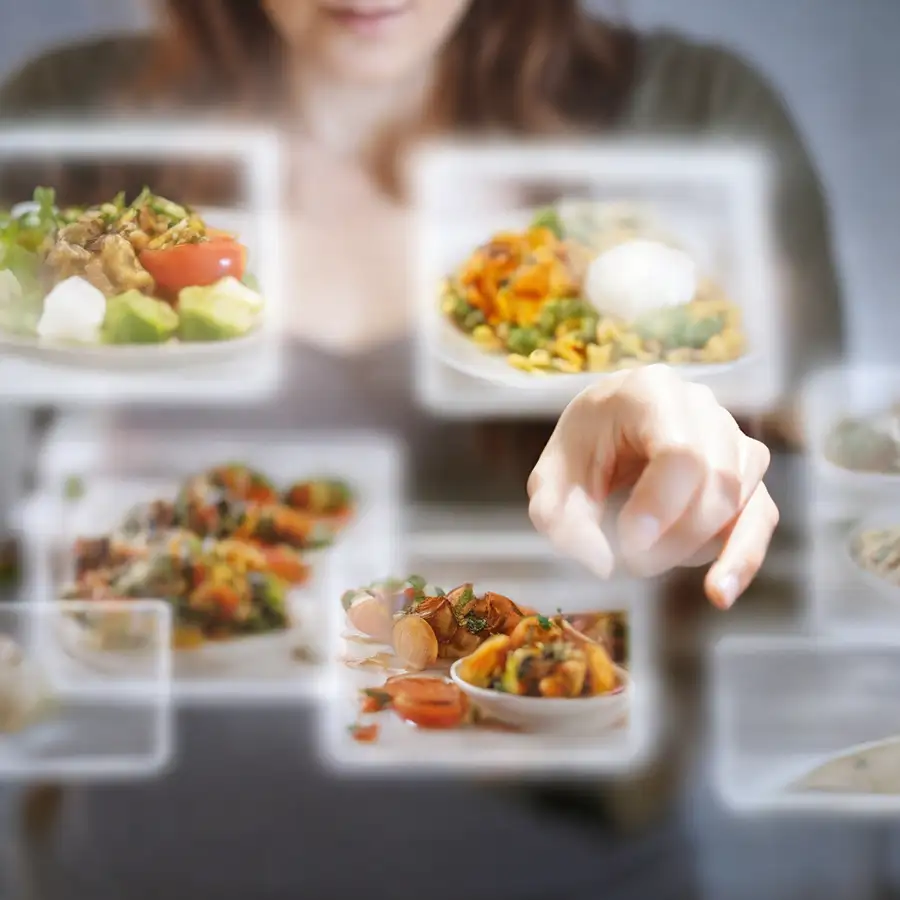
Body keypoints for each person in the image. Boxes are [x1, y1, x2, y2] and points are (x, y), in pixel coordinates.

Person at [0, 2, 840, 898]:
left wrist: (716, 480)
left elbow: (823, 546)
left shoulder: (693, 116)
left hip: (559, 873)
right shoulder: (66, 118)